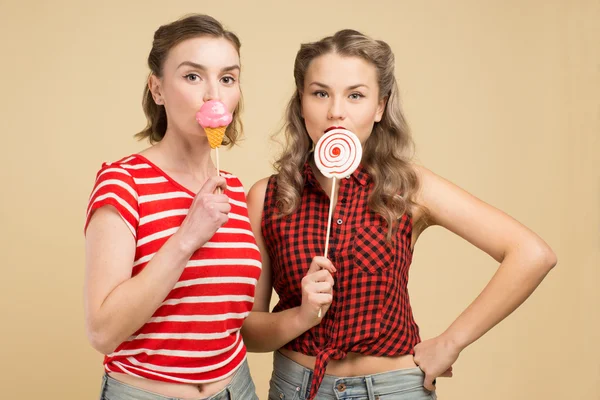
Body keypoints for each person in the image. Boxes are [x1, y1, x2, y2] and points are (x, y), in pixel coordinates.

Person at [241, 29, 557, 400]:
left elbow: (532, 254)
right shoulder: (268, 196)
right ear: (301, 102)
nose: (336, 111)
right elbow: (249, 331)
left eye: (355, 95)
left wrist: (451, 342)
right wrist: (301, 316)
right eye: (320, 93)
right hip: (297, 386)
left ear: (379, 107)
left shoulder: (410, 187)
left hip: (394, 390)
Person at [84, 14, 260, 400]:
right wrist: (186, 238)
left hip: (236, 388)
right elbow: (102, 332)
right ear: (157, 89)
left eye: (227, 78)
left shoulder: (231, 188)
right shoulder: (123, 182)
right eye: (193, 76)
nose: (213, 95)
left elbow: (232, 318)